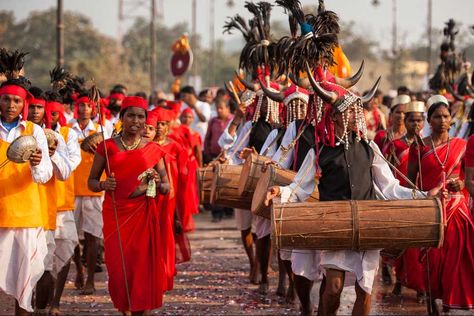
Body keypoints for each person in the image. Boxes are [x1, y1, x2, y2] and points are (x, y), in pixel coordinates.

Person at [265, 75, 439, 316]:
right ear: (334, 115)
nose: (352, 116)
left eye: (355, 112)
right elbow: (299, 186)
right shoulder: (320, 149)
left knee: (364, 291)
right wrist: (280, 191)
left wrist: (422, 195)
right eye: (346, 112)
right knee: (333, 287)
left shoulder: (370, 148)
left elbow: (389, 187)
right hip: (334, 224)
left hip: (368, 224)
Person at [88, 96, 170, 314]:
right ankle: (125, 308)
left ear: (145, 120)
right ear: (122, 117)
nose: (136, 120)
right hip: (115, 213)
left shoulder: (152, 148)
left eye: (141, 116)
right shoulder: (106, 147)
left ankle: (139, 309)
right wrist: (105, 184)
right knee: (118, 267)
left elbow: (166, 184)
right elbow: (92, 182)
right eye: (131, 115)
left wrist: (158, 183)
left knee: (141, 265)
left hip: (143, 213)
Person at [408, 95, 474, 314]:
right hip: (430, 211)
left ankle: (449, 303)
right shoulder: (418, 147)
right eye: (437, 116)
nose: (442, 120)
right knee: (432, 261)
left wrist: (461, 183)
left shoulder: (462, 145)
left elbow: (468, 178)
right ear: (429, 120)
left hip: (456, 211)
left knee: (453, 261)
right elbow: (410, 183)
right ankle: (433, 302)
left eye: (446, 116)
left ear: (451, 119)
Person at [0, 62, 53, 314]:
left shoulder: (35, 132)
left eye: (17, 102)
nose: (11, 106)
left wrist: (36, 164)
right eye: (6, 100)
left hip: (26, 215)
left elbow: (45, 176)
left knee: (24, 284)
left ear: (24, 105)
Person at [383, 100, 427, 301]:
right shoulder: (395, 145)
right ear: (405, 122)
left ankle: (421, 286)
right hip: (399, 196)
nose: (415, 125)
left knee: (420, 245)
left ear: (424, 122)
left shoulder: (427, 146)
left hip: (423, 198)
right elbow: (386, 172)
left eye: (419, 121)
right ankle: (400, 281)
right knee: (401, 242)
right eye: (411, 121)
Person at [143, 108, 191, 291]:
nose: (160, 127)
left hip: (168, 199)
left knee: (165, 233)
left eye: (163, 124)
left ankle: (164, 275)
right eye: (157, 124)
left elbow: (183, 178)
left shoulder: (175, 147)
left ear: (169, 126)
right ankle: (150, 273)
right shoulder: (144, 146)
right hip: (148, 196)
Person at [69, 93, 110, 294]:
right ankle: (78, 270)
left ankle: (91, 279)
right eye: (81, 105)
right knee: (72, 237)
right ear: (76, 107)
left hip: (94, 191)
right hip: (72, 190)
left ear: (94, 109)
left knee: (92, 236)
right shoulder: (67, 130)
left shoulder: (102, 131)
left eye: (88, 105)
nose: (84, 109)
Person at [203, 99, 234, 222]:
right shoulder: (213, 121)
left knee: (227, 184)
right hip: (214, 157)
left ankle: (228, 209)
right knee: (214, 185)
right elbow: (208, 138)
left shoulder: (234, 120)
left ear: (228, 109)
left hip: (228, 159)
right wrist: (207, 153)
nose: (219, 110)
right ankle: (216, 212)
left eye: (221, 108)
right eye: (217, 108)